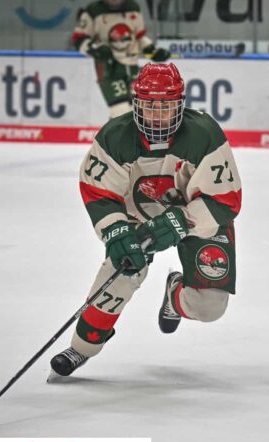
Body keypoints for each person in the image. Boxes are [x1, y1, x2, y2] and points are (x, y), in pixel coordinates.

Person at [50, 62, 241, 377]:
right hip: (136, 219)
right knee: (119, 276)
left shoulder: (204, 134)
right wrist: (116, 232)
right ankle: (81, 348)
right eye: (150, 106)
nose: (157, 115)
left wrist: (179, 222)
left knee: (209, 307)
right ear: (137, 104)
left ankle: (174, 296)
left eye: (166, 107)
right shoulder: (115, 136)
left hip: (195, 216)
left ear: (180, 105)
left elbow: (224, 200)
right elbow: (98, 191)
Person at [72, 0, 170, 118]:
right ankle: (115, 129)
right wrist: (96, 50)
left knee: (138, 112)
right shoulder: (93, 11)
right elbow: (79, 39)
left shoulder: (133, 7)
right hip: (108, 68)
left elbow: (139, 37)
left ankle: (116, 130)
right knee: (120, 111)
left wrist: (152, 51)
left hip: (132, 66)